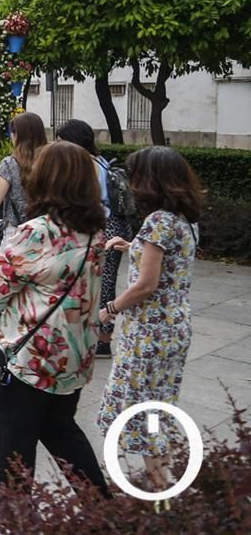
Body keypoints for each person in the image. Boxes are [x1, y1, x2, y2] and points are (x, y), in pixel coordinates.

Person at [0, 141, 110, 497]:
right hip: (74, 358)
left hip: (32, 360)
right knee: (62, 432)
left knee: (17, 449)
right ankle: (102, 509)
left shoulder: (36, 232)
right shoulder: (95, 232)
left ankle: (16, 518)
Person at [96, 146, 202, 492]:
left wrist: (110, 308)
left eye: (136, 175)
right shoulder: (183, 220)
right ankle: (162, 481)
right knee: (156, 406)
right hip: (174, 328)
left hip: (149, 333)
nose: (132, 183)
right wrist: (133, 246)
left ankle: (158, 488)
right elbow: (168, 259)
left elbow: (146, 285)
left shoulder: (158, 222)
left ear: (152, 180)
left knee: (140, 408)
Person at [55, 119, 128, 358]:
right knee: (104, 283)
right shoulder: (100, 161)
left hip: (104, 226)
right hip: (115, 224)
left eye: (61, 141)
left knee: (102, 285)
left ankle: (102, 340)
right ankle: (100, 337)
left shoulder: (85, 164)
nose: (58, 146)